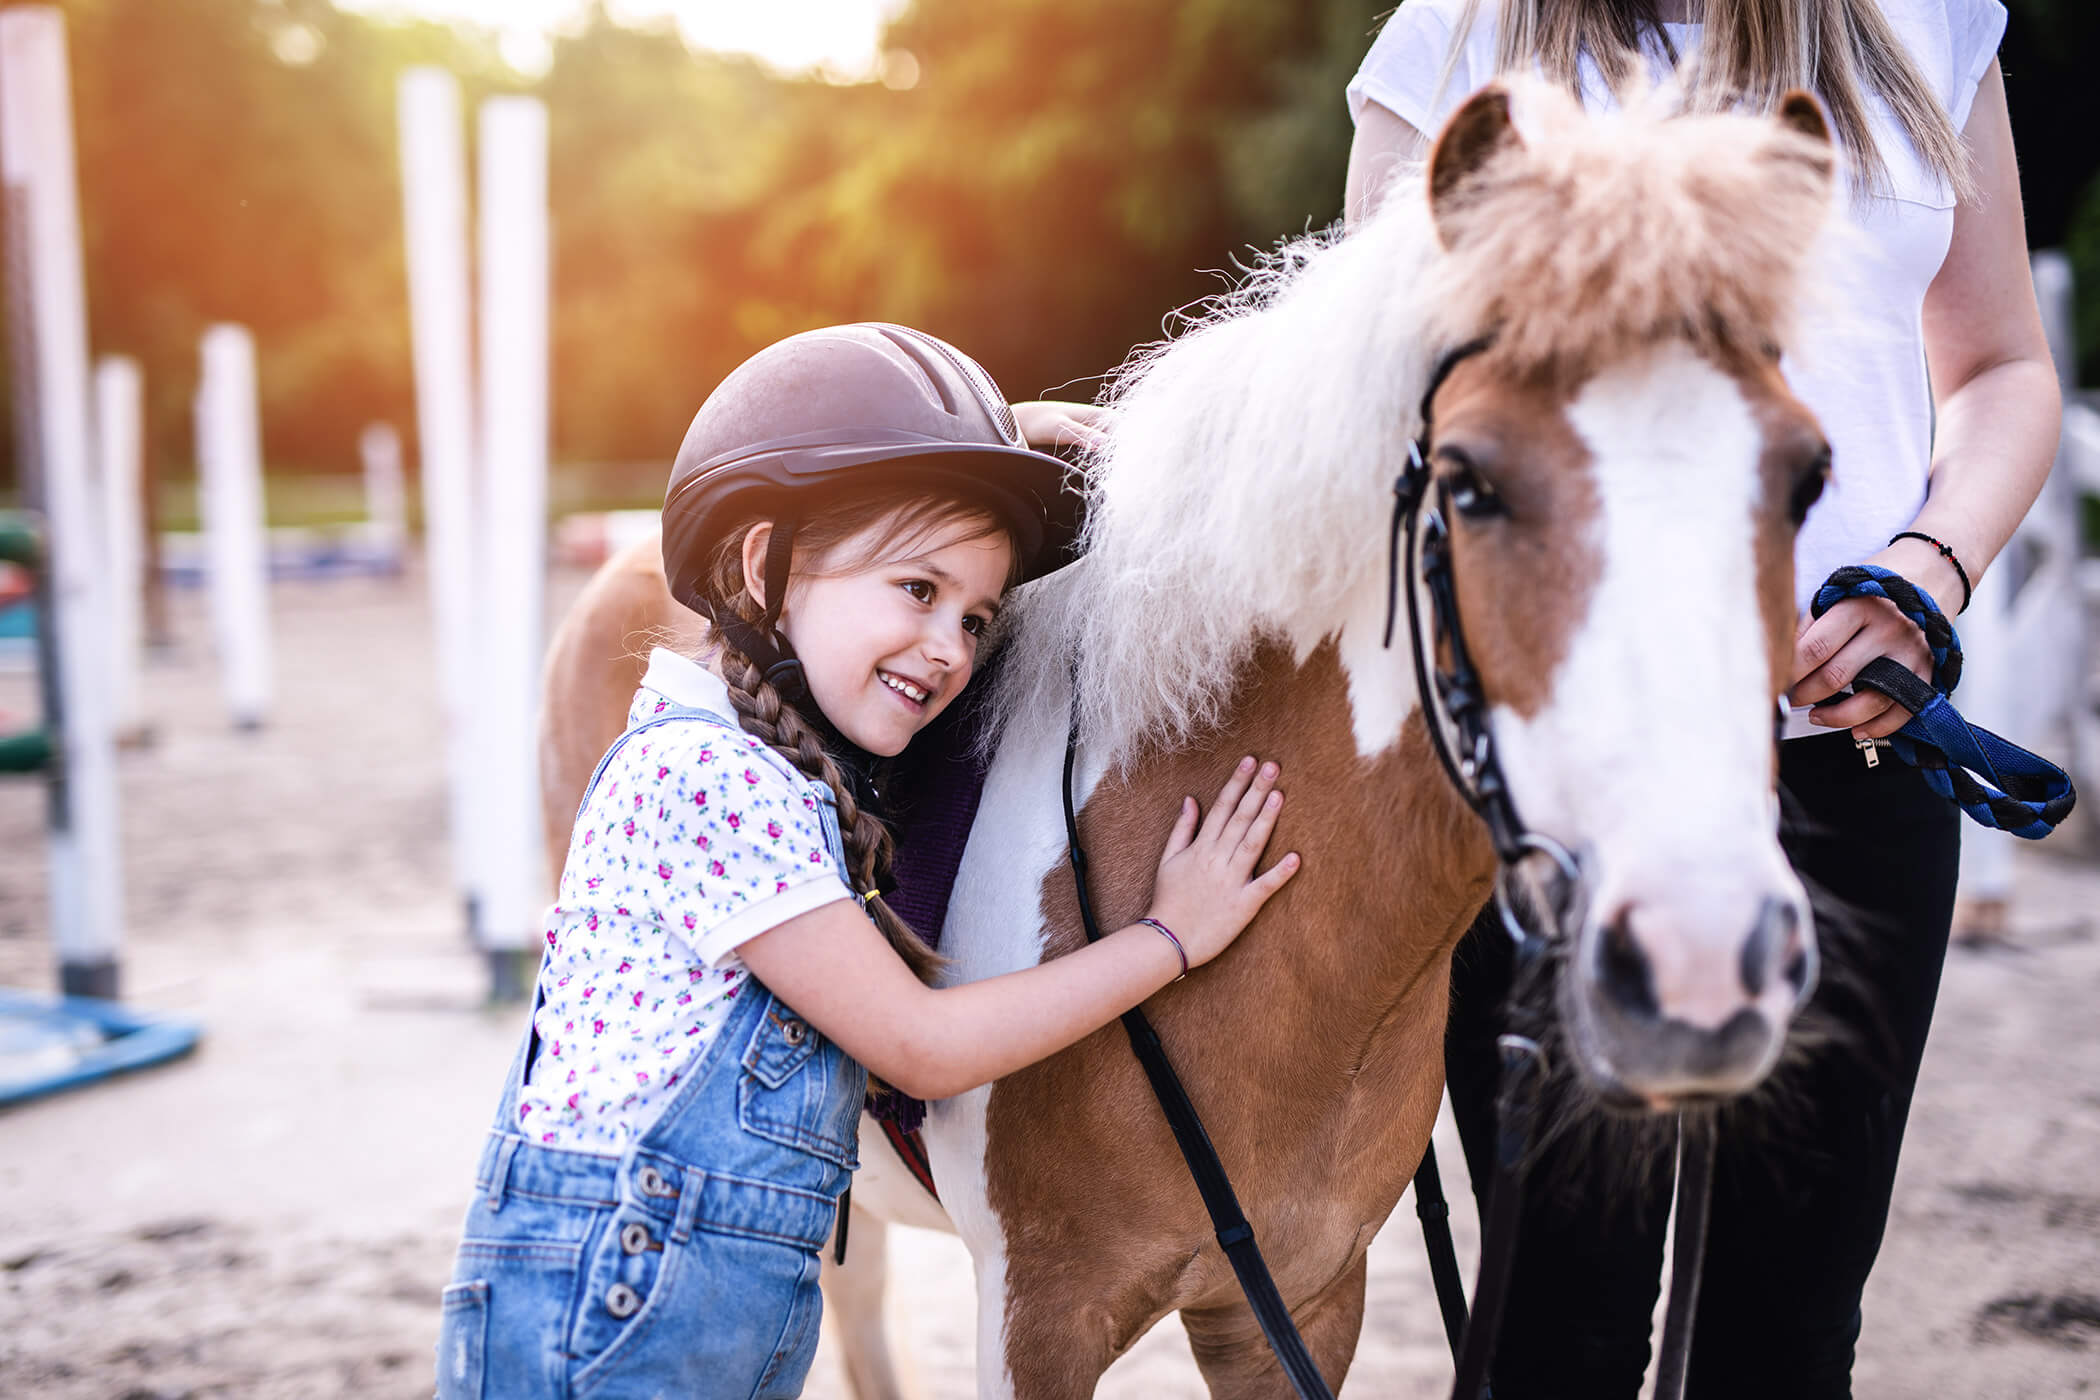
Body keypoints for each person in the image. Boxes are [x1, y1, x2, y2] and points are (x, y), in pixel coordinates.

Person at [1343, 2, 2060, 1396]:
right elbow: (1379, 408)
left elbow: (2002, 366)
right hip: (1562, 789)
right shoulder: (1456, 36)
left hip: (1853, 751)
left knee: (1793, 1330)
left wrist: (1926, 570)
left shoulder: (1931, 25)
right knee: (1560, 1318)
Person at [433, 323, 1302, 1399]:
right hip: (611, 1310)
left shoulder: (777, 781)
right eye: (917, 588)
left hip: (699, 1309)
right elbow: (924, 1045)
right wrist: (1168, 937)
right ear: (763, 562)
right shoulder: (708, 779)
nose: (951, 646)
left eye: (979, 616)